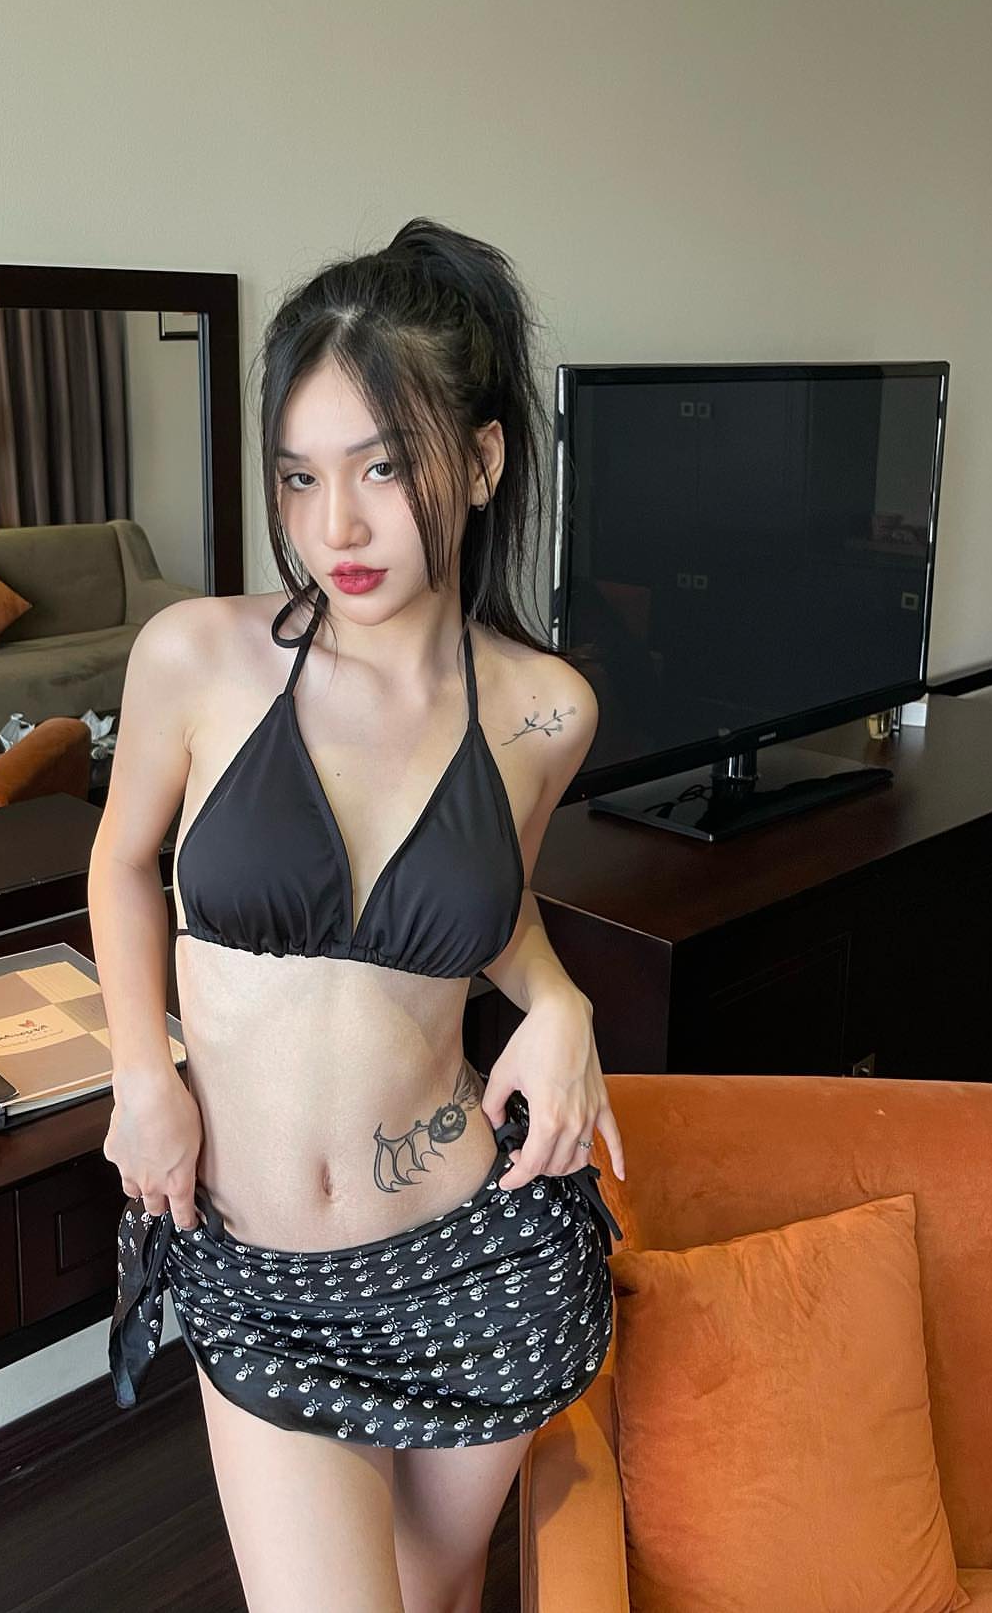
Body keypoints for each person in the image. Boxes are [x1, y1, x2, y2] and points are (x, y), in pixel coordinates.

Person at [92, 218, 626, 1613]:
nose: (337, 527)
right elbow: (124, 865)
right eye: (302, 476)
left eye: (385, 467)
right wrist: (142, 1072)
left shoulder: (545, 709)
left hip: (476, 1252)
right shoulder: (198, 658)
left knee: (438, 1599)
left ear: (484, 461)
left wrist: (558, 997)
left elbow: (483, 910)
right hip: (261, 1270)